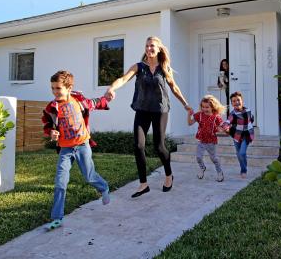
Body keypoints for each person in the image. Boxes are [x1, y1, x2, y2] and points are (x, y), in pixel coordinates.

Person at [105, 36, 192, 198]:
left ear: (158, 49)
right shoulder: (139, 67)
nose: (149, 48)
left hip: (160, 110)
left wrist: (185, 104)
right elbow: (123, 79)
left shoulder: (164, 68)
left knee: (159, 146)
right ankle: (143, 184)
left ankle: (168, 175)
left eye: (152, 46)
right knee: (138, 146)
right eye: (146, 46)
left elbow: (174, 88)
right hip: (142, 109)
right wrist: (112, 88)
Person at [42, 70, 110, 230]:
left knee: (89, 176)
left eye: (58, 88)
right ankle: (57, 217)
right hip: (65, 149)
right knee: (60, 182)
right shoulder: (52, 107)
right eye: (52, 88)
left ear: (68, 88)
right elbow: (47, 125)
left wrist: (106, 99)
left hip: (82, 145)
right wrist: (51, 132)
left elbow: (94, 103)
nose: (55, 92)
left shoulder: (78, 101)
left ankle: (104, 187)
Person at [187, 94, 226, 182]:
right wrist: (189, 115)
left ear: (212, 107)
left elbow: (221, 127)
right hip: (202, 141)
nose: (204, 109)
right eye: (203, 107)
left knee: (214, 159)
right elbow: (190, 123)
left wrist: (222, 129)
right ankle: (202, 168)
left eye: (207, 107)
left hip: (211, 142)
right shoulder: (199, 115)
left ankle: (219, 172)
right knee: (198, 157)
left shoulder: (216, 117)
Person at [222, 91, 254, 179]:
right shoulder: (233, 114)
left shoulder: (248, 110)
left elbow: (252, 119)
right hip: (237, 135)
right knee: (239, 154)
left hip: (247, 134)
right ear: (232, 103)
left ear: (242, 101)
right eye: (234, 101)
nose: (236, 102)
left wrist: (249, 127)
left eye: (238, 100)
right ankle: (242, 167)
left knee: (242, 153)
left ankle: (244, 170)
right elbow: (228, 121)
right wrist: (225, 127)